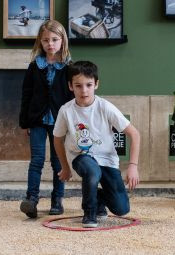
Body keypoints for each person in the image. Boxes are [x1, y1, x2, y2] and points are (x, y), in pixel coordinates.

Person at [53, 61, 141, 228]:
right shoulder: (66, 110)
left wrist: (133, 166)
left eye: (88, 85)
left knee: (122, 208)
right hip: (80, 157)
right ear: (71, 86)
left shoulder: (105, 107)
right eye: (78, 86)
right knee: (92, 170)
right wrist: (65, 167)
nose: (84, 90)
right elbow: (57, 139)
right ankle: (89, 212)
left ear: (96, 84)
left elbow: (134, 134)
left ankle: (99, 198)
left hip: (107, 159)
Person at [18, 20, 74, 219]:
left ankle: (57, 199)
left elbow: (72, 98)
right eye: (46, 40)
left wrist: (72, 124)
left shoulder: (69, 68)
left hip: (60, 122)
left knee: (58, 162)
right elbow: (26, 94)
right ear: (40, 42)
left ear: (62, 41)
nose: (50, 44)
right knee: (37, 161)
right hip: (37, 120)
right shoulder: (34, 67)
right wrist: (24, 122)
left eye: (55, 40)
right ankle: (31, 199)